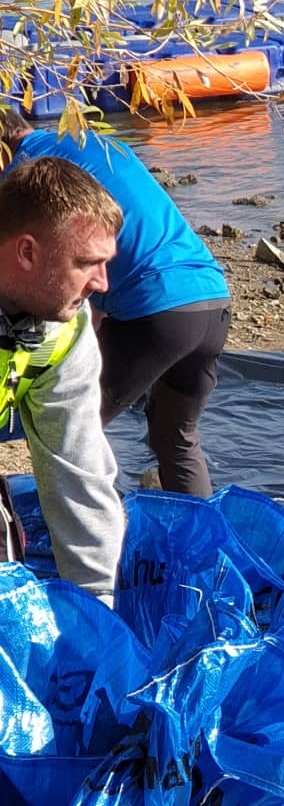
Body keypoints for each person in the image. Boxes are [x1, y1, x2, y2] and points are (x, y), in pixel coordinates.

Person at [1, 112, 230, 497]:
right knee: (176, 437)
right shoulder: (93, 141)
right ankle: (199, 543)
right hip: (211, 299)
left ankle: (94, 531)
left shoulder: (29, 174)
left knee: (69, 432)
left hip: (156, 307)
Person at [0, 157, 126, 600]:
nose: (103, 283)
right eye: (87, 262)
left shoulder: (64, 331)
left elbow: (80, 472)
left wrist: (98, 617)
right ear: (27, 252)